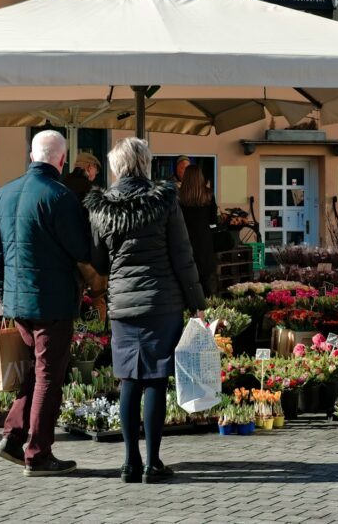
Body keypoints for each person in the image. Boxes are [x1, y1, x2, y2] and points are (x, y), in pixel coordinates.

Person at [85, 138, 206, 484]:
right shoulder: (165, 200)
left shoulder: (101, 206)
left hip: (122, 304)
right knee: (155, 378)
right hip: (162, 301)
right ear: (144, 163)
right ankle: (153, 462)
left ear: (117, 167)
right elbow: (183, 256)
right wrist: (197, 303)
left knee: (128, 379)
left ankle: (129, 462)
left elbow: (96, 260)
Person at [0, 130, 92, 477]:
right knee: (49, 375)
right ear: (62, 160)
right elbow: (81, 250)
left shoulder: (2, 194)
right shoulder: (60, 197)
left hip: (17, 302)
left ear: (31, 155)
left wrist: (3, 294)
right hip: (52, 302)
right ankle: (38, 453)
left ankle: (13, 436)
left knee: (36, 370)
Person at [179, 165, 219, 299]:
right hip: (204, 242)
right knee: (207, 280)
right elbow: (214, 220)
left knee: (187, 281)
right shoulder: (208, 195)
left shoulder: (179, 197)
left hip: (185, 241)